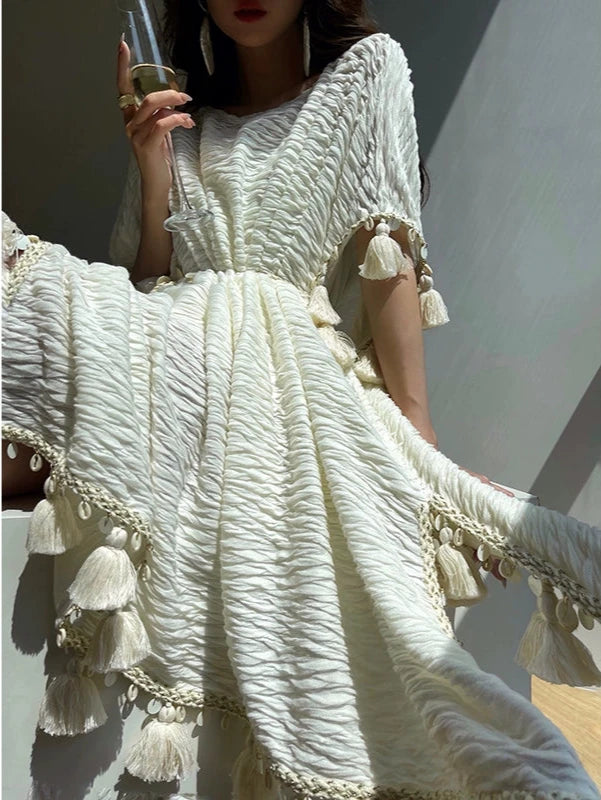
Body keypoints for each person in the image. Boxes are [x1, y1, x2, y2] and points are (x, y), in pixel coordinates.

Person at [2, 1, 601, 798]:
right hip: (175, 360)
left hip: (281, 370)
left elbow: (387, 257)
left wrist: (416, 440)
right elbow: (148, 288)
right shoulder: (185, 116)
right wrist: (152, 165)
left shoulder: (367, 73)